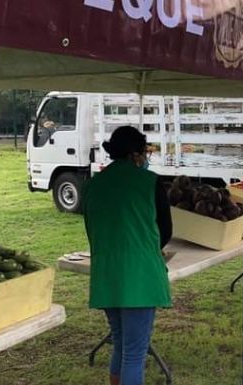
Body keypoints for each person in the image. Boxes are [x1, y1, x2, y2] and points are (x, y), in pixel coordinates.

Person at [82, 126, 172, 385]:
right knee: (135, 353)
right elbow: (165, 231)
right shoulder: (150, 182)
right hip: (140, 275)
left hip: (106, 272)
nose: (146, 158)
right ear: (135, 155)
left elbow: (91, 226)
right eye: (145, 152)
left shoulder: (93, 184)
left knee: (120, 343)